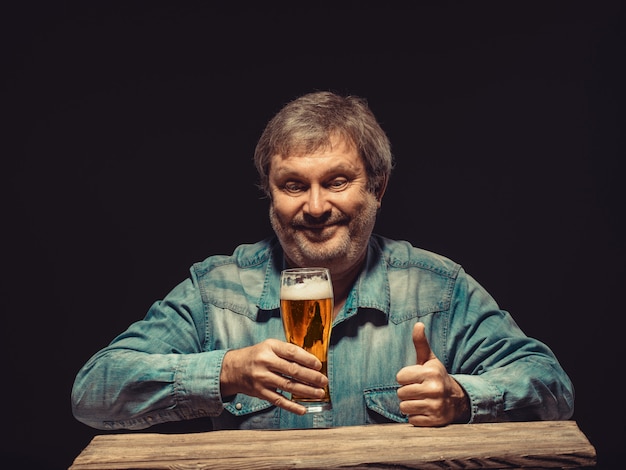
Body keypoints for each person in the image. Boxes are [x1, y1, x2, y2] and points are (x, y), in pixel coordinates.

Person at [71, 91, 574, 431]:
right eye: (293, 185)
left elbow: (551, 386)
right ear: (270, 195)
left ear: (377, 187)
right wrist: (224, 371)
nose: (314, 208)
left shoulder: (436, 289)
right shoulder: (216, 291)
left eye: (336, 181)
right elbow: (94, 391)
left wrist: (463, 398)